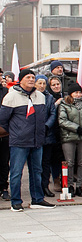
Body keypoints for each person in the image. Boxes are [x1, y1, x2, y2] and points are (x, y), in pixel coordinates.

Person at [0, 70, 55, 211]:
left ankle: (37, 199)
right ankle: (16, 201)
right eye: (28, 77)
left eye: (33, 77)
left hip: (37, 141)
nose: (31, 79)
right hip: (19, 141)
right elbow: (3, 120)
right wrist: (16, 131)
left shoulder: (40, 97)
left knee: (37, 171)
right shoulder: (11, 96)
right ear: (21, 80)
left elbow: (43, 117)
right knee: (17, 172)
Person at [58, 80, 82, 197]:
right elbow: (62, 120)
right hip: (69, 137)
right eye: (75, 92)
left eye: (79, 92)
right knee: (70, 163)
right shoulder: (64, 104)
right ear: (70, 94)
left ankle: (79, 186)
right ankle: (69, 185)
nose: (78, 95)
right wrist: (77, 128)